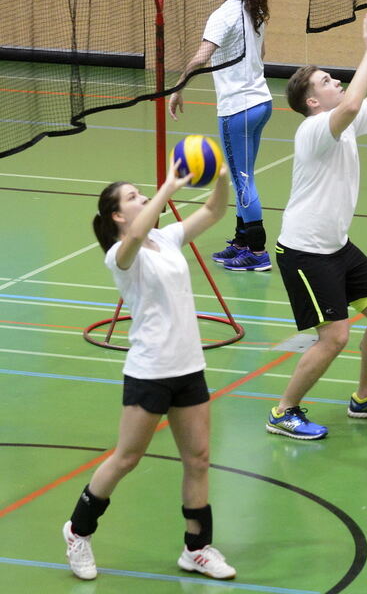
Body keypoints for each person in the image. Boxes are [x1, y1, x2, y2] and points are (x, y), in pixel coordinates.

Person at [62, 160, 236, 581]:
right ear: (119, 216)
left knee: (198, 459)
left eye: (143, 193)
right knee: (127, 458)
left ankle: (196, 549)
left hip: (188, 367)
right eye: (134, 197)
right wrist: (170, 186)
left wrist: (223, 180)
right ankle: (77, 531)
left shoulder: (167, 238)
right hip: (150, 370)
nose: (143, 199)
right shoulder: (120, 256)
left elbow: (214, 212)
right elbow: (136, 236)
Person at [267, 6, 367, 440]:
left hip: (337, 246)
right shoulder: (314, 129)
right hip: (304, 251)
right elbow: (352, 102)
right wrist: (366, 50)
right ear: (313, 101)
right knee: (333, 338)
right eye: (327, 81)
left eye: (334, 78)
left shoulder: (343, 125)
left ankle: (366, 398)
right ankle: (283, 411)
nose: (336, 83)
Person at [169, 0, 273, 271]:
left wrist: (178, 86)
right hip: (260, 102)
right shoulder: (254, 12)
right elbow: (262, 54)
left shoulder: (223, 14)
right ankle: (242, 241)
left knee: (243, 181)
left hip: (237, 108)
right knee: (247, 176)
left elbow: (202, 56)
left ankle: (257, 252)